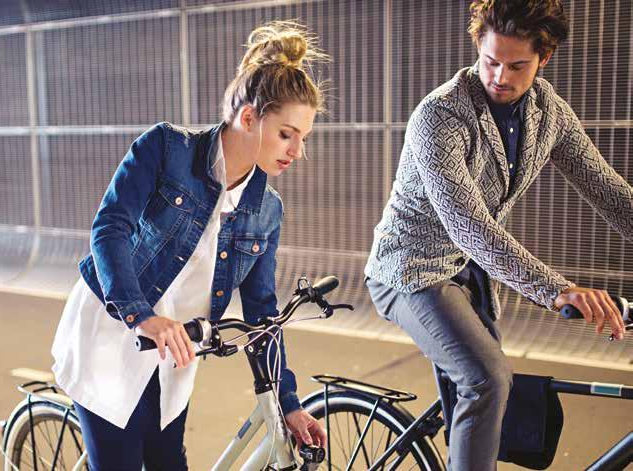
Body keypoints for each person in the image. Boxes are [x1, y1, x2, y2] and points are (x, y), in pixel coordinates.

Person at [364, 1, 633, 469]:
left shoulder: (550, 113)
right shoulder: (441, 115)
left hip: (468, 275)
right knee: (486, 378)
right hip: (409, 270)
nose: (500, 76)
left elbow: (611, 195)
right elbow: (472, 229)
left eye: (517, 65)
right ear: (478, 49)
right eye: (490, 61)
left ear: (543, 58)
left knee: (489, 394)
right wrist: (557, 290)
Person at [51, 21, 328, 470]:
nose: (297, 151)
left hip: (174, 358)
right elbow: (110, 229)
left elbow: (261, 313)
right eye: (286, 134)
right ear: (249, 117)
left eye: (304, 138)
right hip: (112, 335)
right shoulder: (165, 149)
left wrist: (288, 403)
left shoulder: (266, 210)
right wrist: (142, 316)